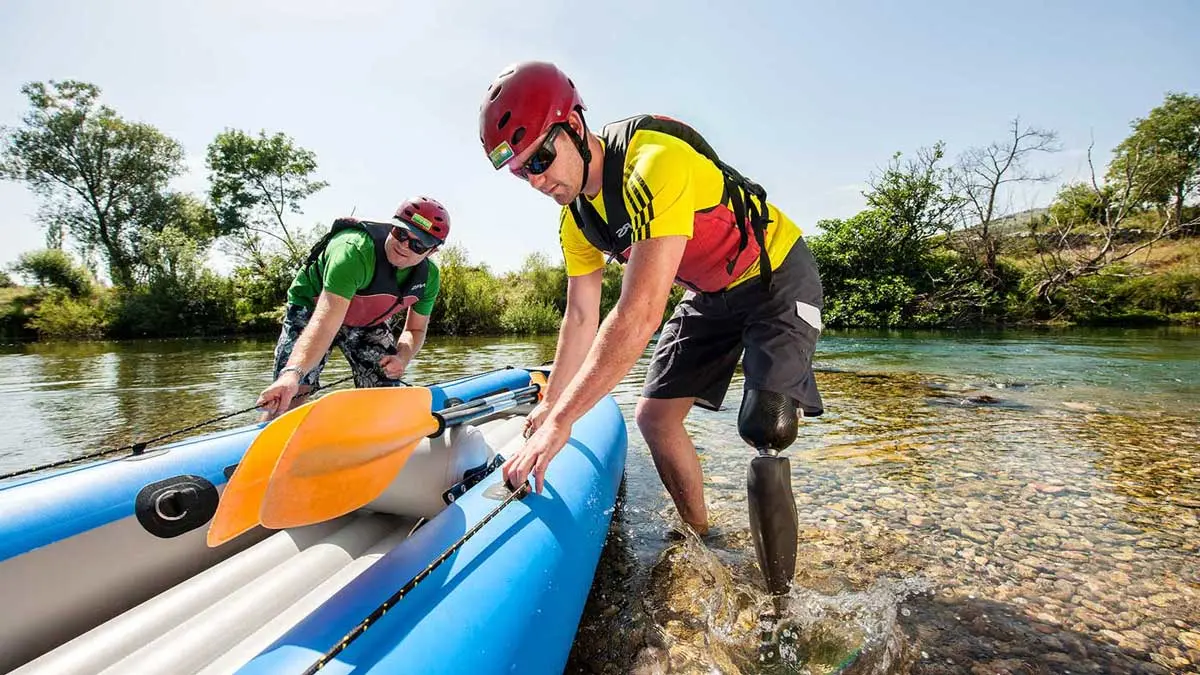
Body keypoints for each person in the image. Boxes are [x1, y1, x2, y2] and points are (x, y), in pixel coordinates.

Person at [477, 61, 825, 595]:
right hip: (709, 294)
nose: (538, 179)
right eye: (523, 172)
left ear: (574, 126)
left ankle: (782, 605)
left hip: (774, 275)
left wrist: (562, 423)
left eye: (541, 158)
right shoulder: (575, 219)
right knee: (654, 418)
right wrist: (551, 403)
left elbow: (640, 314)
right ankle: (702, 539)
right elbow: (580, 317)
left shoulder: (653, 161)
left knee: (765, 428)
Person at [256, 197, 449, 421]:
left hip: (367, 320)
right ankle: (261, 438)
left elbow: (415, 330)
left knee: (386, 387)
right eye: (401, 233)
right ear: (392, 226)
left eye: (418, 244)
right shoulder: (353, 250)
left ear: (432, 251)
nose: (404, 245)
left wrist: (402, 358)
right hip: (314, 310)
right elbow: (325, 322)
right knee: (292, 389)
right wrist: (292, 374)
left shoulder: (429, 278)